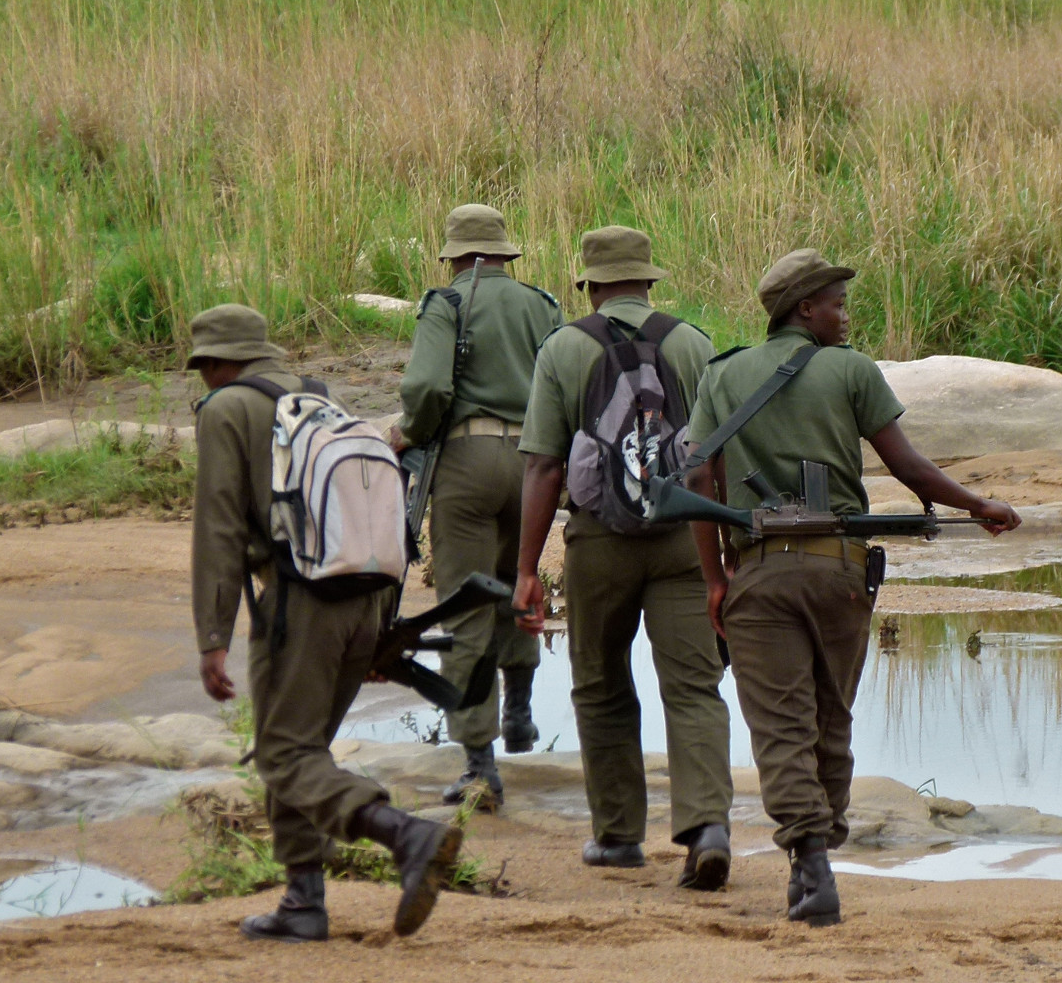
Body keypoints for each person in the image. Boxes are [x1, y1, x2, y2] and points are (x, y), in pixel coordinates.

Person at [684, 251, 1021, 927]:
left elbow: (699, 483)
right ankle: (819, 841)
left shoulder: (723, 375)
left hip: (757, 574)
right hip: (840, 572)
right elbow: (910, 467)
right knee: (831, 719)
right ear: (804, 308)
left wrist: (716, 580)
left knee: (780, 727)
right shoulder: (851, 371)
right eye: (837, 302)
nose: (846, 314)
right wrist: (975, 505)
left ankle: (809, 861)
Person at [188, 303, 462, 941]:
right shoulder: (316, 398)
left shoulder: (228, 409)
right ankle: (303, 902)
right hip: (364, 598)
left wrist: (212, 638)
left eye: (202, 367)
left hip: (299, 603)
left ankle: (406, 835)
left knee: (284, 754)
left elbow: (219, 528)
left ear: (216, 362)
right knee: (301, 748)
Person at [510, 226, 735, 887]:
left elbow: (544, 466)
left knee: (601, 684)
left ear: (589, 283)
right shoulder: (693, 343)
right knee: (693, 684)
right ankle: (708, 827)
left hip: (599, 541)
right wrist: (726, 553)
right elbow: (715, 456)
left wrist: (527, 571)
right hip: (683, 537)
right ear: (649, 279)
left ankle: (617, 837)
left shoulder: (564, 348)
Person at [394, 204, 561, 809]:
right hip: (535, 465)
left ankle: (478, 762)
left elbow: (428, 387)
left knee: (466, 604)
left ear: (456, 256)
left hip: (464, 463)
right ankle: (519, 712)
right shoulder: (542, 305)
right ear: (504, 254)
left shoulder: (447, 303)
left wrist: (409, 431)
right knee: (519, 581)